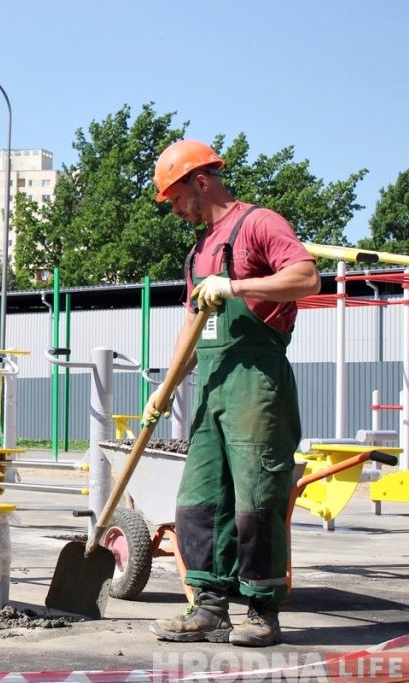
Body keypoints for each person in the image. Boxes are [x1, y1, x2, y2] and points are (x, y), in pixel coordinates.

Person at [142, 140, 320, 647]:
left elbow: (307, 276)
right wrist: (165, 389)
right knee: (199, 501)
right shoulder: (199, 251)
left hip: (256, 386)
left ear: (201, 181)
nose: (174, 209)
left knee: (256, 500)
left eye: (176, 197)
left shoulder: (259, 224)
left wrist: (237, 287)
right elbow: (192, 327)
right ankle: (209, 608)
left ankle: (262, 611)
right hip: (213, 387)